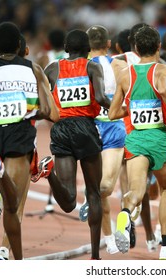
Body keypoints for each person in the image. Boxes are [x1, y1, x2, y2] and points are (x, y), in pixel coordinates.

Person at [0, 22, 54, 260]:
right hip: (21, 132)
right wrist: (36, 112)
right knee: (16, 201)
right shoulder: (33, 69)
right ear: (19, 46)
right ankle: (5, 253)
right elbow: (47, 109)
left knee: (10, 199)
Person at [108, 25, 166, 260]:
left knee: (135, 191)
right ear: (158, 46)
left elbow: (114, 112)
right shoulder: (165, 70)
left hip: (135, 139)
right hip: (160, 138)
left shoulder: (126, 74)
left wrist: (133, 108)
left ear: (135, 49)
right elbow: (164, 90)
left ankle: (125, 213)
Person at [35, 29, 110, 260]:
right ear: (88, 49)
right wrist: (115, 107)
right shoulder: (91, 67)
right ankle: (95, 256)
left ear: (66, 48)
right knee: (94, 193)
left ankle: (50, 175)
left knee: (68, 201)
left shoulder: (52, 68)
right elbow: (99, 98)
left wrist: (48, 116)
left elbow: (42, 104)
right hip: (85, 128)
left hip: (61, 129)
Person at [77, 25, 128, 255]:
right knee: (106, 186)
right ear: (109, 44)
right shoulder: (118, 64)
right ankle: (108, 238)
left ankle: (93, 204)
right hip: (112, 125)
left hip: (89, 127)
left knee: (99, 188)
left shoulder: (80, 66)